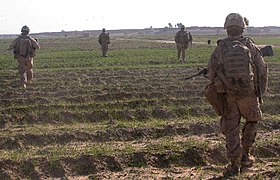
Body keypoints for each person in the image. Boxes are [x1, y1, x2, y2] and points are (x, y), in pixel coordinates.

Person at [206, 13, 268, 177]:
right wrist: (259, 91)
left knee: (231, 129)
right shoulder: (250, 46)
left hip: (230, 96)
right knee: (252, 121)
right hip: (249, 95)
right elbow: (262, 70)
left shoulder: (220, 48)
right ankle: (246, 155)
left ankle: (234, 164)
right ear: (242, 28)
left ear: (227, 28)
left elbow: (211, 73)